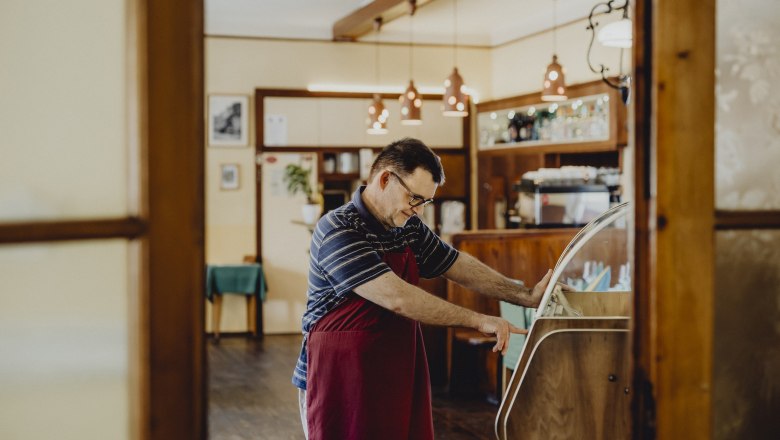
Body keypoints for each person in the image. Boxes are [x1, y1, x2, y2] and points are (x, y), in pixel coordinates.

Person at [292, 137, 568, 440]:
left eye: (425, 202)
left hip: (394, 371)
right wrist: (479, 320)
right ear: (385, 179)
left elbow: (454, 264)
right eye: (415, 199)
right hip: (337, 380)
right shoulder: (338, 228)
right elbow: (397, 297)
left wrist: (524, 295)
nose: (419, 211)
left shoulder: (406, 225)